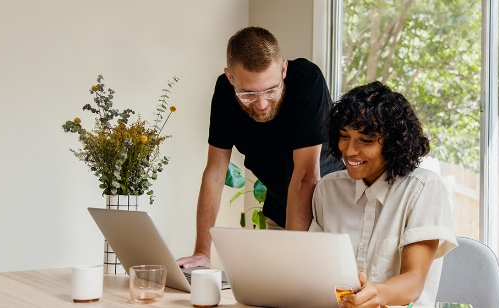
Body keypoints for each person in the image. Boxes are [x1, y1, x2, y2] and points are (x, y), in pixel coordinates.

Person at [177, 26, 343, 268]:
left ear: (283, 69)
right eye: (248, 94)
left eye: (271, 89)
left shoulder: (308, 80)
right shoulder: (224, 93)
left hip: (329, 216)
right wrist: (202, 251)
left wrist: (293, 253)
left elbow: (306, 176)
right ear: (230, 77)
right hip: (279, 211)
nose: (262, 103)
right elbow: (214, 174)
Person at [312, 81, 457, 308]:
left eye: (365, 140)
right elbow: (315, 271)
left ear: (393, 143)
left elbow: (414, 282)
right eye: (344, 136)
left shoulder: (423, 188)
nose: (349, 151)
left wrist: (375, 294)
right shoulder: (327, 190)